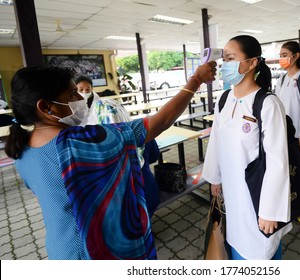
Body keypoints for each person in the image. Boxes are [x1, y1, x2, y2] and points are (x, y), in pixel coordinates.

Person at [5, 62, 216, 260]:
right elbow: (160, 122)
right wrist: (195, 80)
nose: (80, 98)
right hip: (96, 252)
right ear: (46, 107)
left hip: (62, 249)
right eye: (72, 94)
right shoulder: (84, 142)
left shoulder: (21, 152)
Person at [202, 35, 291, 260]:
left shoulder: (267, 103)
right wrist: (214, 177)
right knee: (234, 239)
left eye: (231, 58)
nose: (225, 65)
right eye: (224, 59)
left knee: (259, 249)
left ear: (252, 63)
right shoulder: (224, 100)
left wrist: (271, 211)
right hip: (232, 193)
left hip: (257, 196)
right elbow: (216, 141)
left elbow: (277, 161)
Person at [75, 75, 160, 216]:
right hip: (147, 192)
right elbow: (153, 157)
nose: (84, 92)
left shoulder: (102, 147)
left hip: (125, 203)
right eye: (80, 90)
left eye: (87, 89)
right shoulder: (140, 132)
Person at [274, 41, 300, 204]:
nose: (281, 59)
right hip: (285, 132)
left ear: (296, 56)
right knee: (289, 167)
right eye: (280, 56)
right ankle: (292, 200)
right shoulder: (282, 79)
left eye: (284, 55)